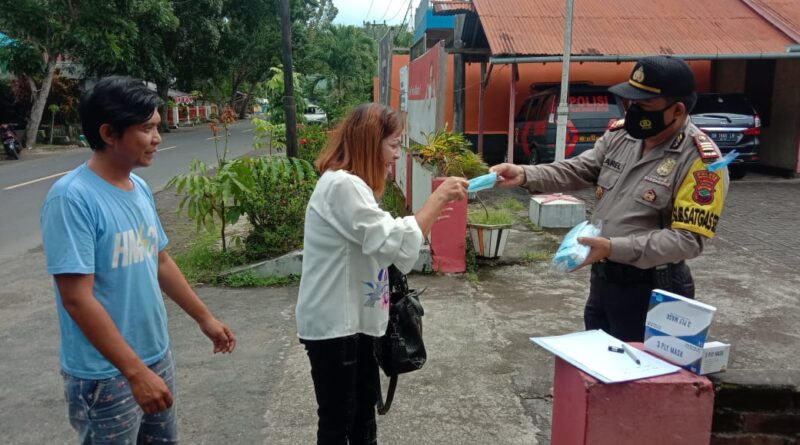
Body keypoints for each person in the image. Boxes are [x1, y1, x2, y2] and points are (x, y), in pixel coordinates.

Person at [40, 76, 236, 444]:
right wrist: (134, 372)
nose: (158, 139)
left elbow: (160, 261)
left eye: (157, 127)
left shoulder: (138, 187)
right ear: (109, 133)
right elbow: (76, 298)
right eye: (146, 129)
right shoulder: (72, 199)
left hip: (154, 356)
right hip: (106, 374)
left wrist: (204, 318)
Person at [491, 56, 728, 342]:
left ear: (677, 110)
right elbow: (579, 168)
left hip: (654, 288)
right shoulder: (622, 135)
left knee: (641, 378)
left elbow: (688, 241)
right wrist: (525, 174)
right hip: (604, 279)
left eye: (644, 105)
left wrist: (612, 247)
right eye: (631, 102)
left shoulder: (702, 163)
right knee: (599, 365)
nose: (634, 111)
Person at [296, 103, 468, 445]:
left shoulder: (352, 186)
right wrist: (438, 200)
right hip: (336, 327)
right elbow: (391, 239)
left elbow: (383, 239)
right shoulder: (341, 186)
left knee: (360, 420)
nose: (395, 155)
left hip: (351, 324)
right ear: (368, 143)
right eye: (392, 145)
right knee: (340, 424)